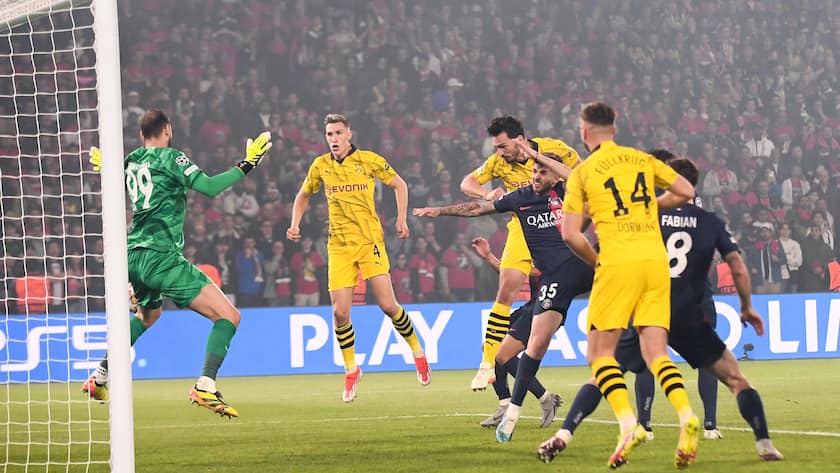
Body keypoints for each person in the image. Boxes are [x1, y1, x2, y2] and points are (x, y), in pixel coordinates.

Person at [539, 157, 783, 464]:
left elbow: (607, 245)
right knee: (736, 378)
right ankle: (763, 444)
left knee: (604, 374)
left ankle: (567, 434)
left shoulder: (645, 215)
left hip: (648, 307)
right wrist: (746, 307)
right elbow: (737, 266)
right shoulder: (710, 221)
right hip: (691, 311)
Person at [83, 109, 272, 418]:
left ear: (142, 135)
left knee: (148, 315)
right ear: (167, 129)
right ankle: (205, 385)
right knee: (229, 316)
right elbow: (210, 187)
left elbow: (122, 183)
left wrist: (108, 167)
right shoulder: (172, 158)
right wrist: (247, 164)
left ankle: (101, 376)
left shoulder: (130, 160)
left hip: (132, 256)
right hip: (161, 257)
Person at [556, 103, 699, 468]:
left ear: (585, 132)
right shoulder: (640, 159)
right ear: (614, 128)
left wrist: (596, 260)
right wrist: (652, 205)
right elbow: (685, 190)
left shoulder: (583, 172)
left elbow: (570, 234)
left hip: (618, 261)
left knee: (600, 354)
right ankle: (686, 415)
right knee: (656, 354)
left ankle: (628, 424)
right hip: (655, 260)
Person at [414, 149, 592, 443]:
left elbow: (577, 176)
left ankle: (519, 407)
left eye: (542, 171)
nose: (536, 176)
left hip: (580, 265)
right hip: (550, 286)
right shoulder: (521, 199)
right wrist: (440, 211)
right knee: (513, 350)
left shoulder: (565, 191)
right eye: (534, 171)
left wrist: (540, 156)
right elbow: (477, 209)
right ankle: (520, 407)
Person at [287, 113, 430, 403]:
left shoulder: (369, 160)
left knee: (388, 305)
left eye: (338, 133)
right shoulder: (321, 166)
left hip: (369, 242)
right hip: (338, 246)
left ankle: (417, 351)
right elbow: (303, 195)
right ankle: (352, 369)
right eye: (329, 134)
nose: (334, 139)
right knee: (340, 313)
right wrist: (295, 223)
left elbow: (400, 185)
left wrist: (402, 219)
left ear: (349, 134)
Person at [458, 115, 580, 391]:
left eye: (502, 146)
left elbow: (582, 173)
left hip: (554, 221)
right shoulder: (497, 163)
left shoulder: (554, 148)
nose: (498, 152)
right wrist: (486, 195)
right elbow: (467, 183)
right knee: (507, 289)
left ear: (520, 141)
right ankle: (487, 364)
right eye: (496, 147)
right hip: (521, 225)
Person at [469, 237, 563, 430]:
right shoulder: (534, 246)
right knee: (490, 345)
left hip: (547, 309)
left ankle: (546, 399)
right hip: (531, 307)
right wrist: (488, 256)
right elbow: (512, 276)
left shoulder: (556, 249)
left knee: (502, 354)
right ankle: (505, 404)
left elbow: (537, 273)